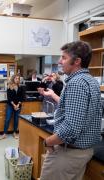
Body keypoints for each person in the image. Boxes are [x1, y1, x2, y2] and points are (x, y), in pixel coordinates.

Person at [40, 41, 102, 180]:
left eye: (64, 57)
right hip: (82, 151)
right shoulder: (91, 81)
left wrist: (48, 141)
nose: (59, 61)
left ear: (77, 61)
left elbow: (71, 128)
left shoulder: (76, 83)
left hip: (68, 154)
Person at [0, 74, 24, 139]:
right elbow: (9, 98)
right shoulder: (9, 86)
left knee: (16, 120)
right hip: (10, 105)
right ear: (13, 79)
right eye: (16, 78)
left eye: (18, 79)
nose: (17, 80)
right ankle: (4, 134)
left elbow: (22, 97)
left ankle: (14, 133)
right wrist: (14, 105)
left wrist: (18, 104)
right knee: (7, 119)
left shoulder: (21, 87)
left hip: (18, 105)